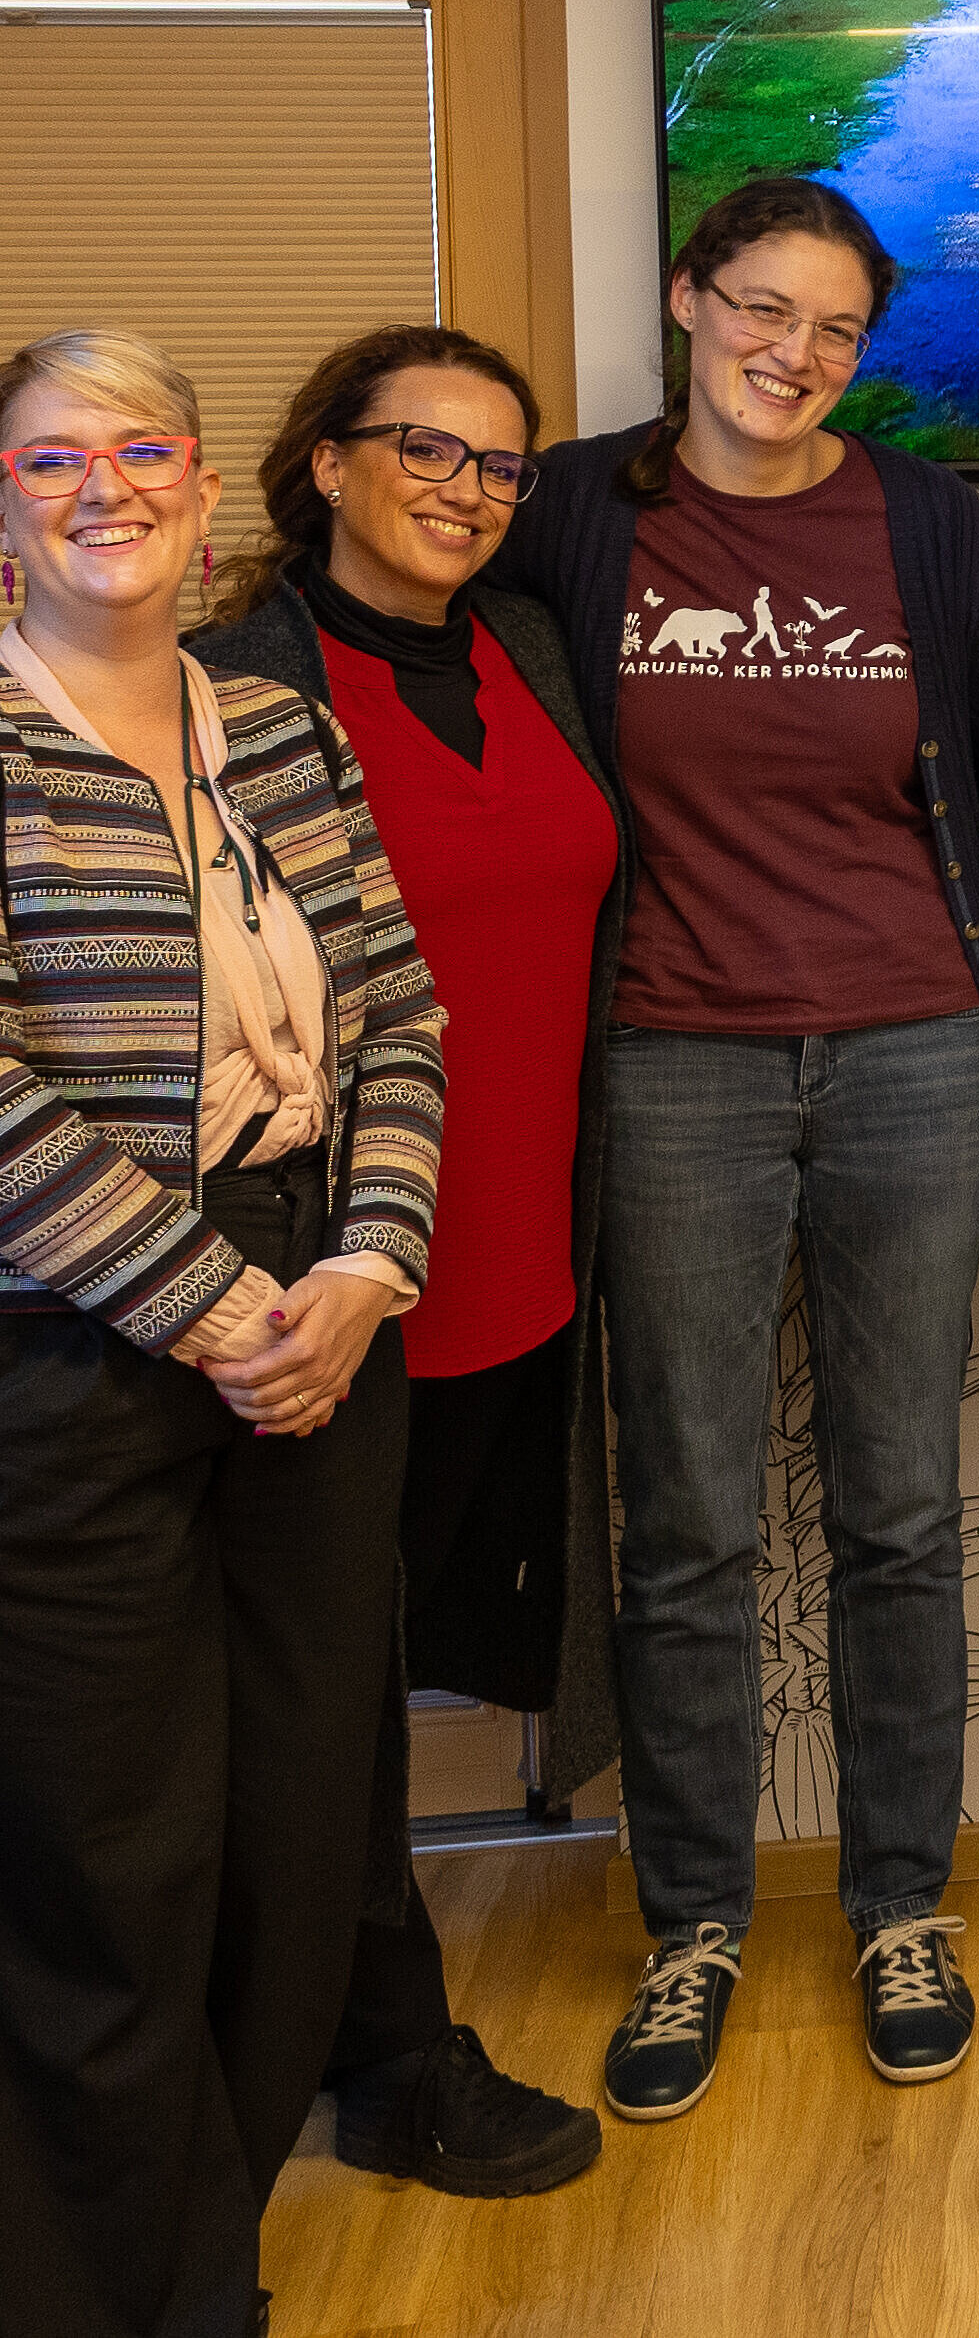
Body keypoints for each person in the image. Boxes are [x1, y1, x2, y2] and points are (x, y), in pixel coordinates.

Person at [485, 178, 979, 2118]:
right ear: (687, 298)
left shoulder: (923, 517)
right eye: (760, 307)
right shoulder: (572, 508)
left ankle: (903, 1901)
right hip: (669, 1066)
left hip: (912, 1052)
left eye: (831, 327)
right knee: (694, 1524)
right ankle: (694, 1923)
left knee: (899, 1506)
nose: (791, 351)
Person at [0, 331, 447, 2338]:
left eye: (146, 447)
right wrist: (216, 1307)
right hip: (76, 1345)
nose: (107, 486)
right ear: (1, 501)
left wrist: (360, 1269)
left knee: (291, 1817)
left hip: (322, 1313)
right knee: (112, 1855)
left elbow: (403, 1016)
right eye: (51, 458)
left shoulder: (273, 716)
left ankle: (213, 2245)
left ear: (199, 479)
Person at [193, 327, 621, 2194]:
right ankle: (379, 2055)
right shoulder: (227, 685)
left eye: (498, 466)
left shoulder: (525, 647)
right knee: (321, 1691)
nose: (464, 490)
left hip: (524, 1250)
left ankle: (311, 2024)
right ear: (327, 465)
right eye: (424, 451)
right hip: (335, 1274)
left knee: (392, 1663)